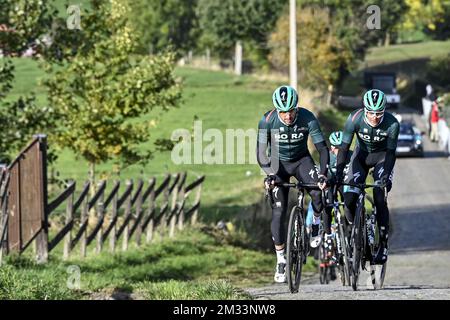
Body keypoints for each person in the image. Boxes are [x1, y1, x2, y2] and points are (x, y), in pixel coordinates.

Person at [257, 85, 329, 283]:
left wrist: (322, 175)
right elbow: (261, 152)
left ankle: (314, 222)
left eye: (291, 111)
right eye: (283, 112)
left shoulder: (308, 118)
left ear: (296, 108)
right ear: (277, 110)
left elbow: (322, 149)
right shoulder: (267, 120)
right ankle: (281, 258)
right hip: (277, 164)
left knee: (317, 192)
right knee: (279, 210)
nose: (287, 116)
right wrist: (270, 175)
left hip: (301, 161)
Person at [336, 89, 400, 265]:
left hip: (382, 158)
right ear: (364, 110)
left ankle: (384, 244)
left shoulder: (392, 123)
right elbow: (343, 148)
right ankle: (353, 229)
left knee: (380, 197)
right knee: (349, 197)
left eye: (379, 113)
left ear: (384, 110)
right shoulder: (354, 119)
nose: (374, 117)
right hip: (361, 157)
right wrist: (339, 173)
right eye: (370, 113)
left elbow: (391, 153)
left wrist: (385, 176)